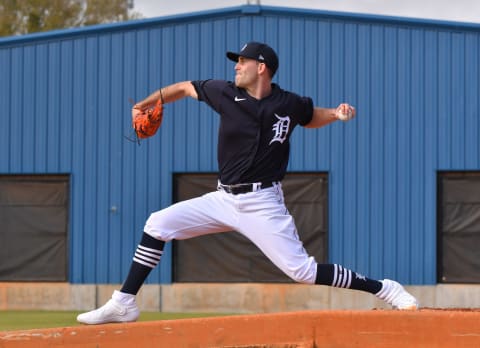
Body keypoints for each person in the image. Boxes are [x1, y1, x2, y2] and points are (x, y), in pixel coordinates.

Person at [77, 42, 418, 325]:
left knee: (302, 271)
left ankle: (385, 288)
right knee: (157, 223)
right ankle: (123, 302)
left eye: (242, 61)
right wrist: (148, 102)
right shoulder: (224, 93)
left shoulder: (288, 103)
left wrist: (337, 114)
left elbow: (311, 116)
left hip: (263, 202)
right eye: (236, 61)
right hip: (222, 199)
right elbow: (183, 87)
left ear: (262, 67)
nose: (236, 67)